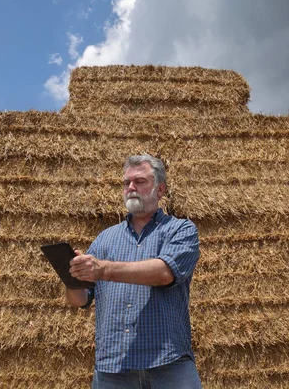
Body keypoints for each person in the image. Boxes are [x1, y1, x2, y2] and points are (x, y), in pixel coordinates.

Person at [65, 154, 202, 389]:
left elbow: (163, 273)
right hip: (113, 369)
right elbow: (80, 300)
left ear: (160, 189)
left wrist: (103, 269)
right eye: (126, 182)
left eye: (139, 181)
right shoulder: (104, 239)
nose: (131, 187)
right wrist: (72, 276)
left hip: (168, 365)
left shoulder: (181, 230)